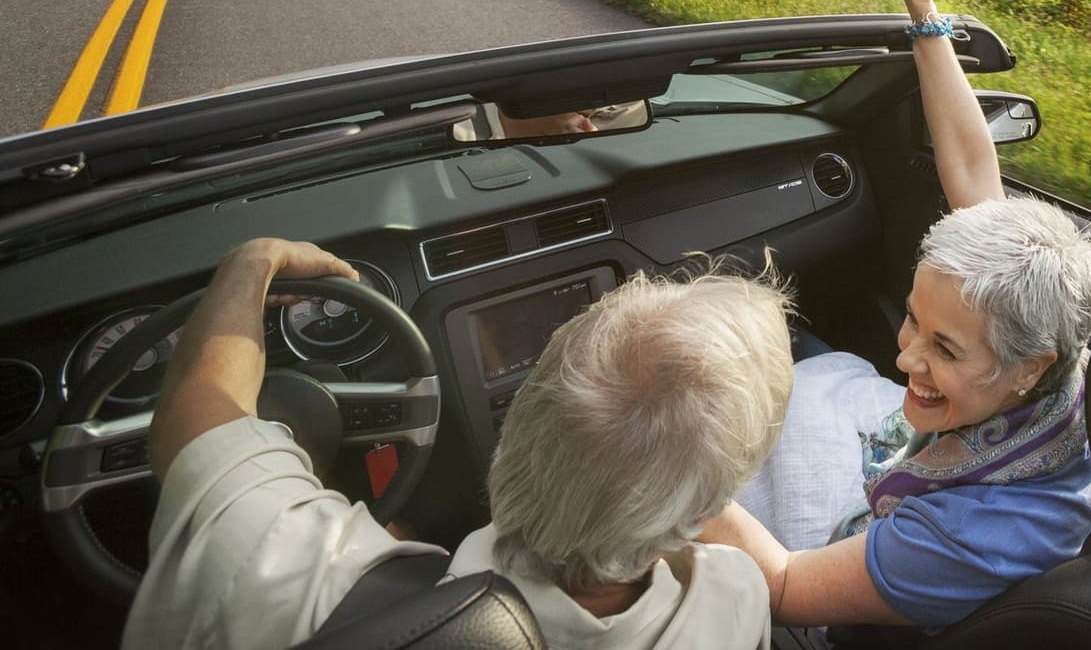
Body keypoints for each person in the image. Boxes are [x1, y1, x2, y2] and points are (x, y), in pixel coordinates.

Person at [701, 0, 1091, 631]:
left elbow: (786, 588)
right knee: (800, 346)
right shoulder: (1060, 370)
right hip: (903, 468)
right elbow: (975, 178)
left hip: (817, 591)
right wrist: (923, 9)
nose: (903, 355)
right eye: (915, 320)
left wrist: (652, 460)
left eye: (944, 348)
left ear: (1029, 366)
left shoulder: (981, 534)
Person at [126, 239, 793, 650]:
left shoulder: (283, 570)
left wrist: (252, 264)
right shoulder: (732, 599)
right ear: (701, 517)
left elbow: (194, 417)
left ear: (524, 418)